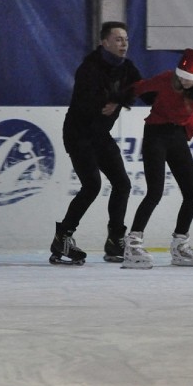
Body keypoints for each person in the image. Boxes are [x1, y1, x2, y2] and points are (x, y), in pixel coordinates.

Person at [50, 21, 142, 265]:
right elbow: (90, 104)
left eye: (126, 39)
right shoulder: (89, 68)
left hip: (100, 135)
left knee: (122, 184)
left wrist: (185, 89)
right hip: (79, 134)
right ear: (105, 43)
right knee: (91, 185)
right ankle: (63, 237)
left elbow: (140, 89)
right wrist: (115, 100)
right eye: (118, 39)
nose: (124, 44)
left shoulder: (127, 68)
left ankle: (115, 241)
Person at [122, 48, 193, 269]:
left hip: (178, 137)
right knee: (155, 191)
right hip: (156, 133)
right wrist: (117, 100)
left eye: (188, 79)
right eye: (181, 77)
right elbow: (138, 87)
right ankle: (133, 244)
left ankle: (180, 245)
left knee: (192, 194)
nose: (183, 82)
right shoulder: (167, 79)